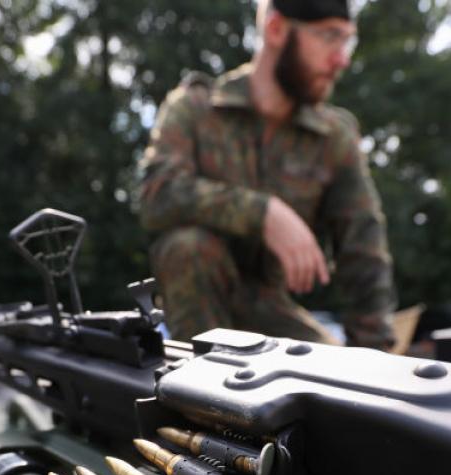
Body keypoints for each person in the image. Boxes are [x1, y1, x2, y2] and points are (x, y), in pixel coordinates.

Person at [138, 0, 397, 349]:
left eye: (347, 41)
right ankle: (200, 397)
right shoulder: (196, 110)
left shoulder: (334, 136)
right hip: (198, 313)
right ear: (276, 30)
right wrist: (263, 213)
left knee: (339, 383)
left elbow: (363, 250)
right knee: (187, 247)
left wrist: (378, 363)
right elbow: (157, 194)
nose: (342, 59)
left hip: (273, 315)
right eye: (329, 37)